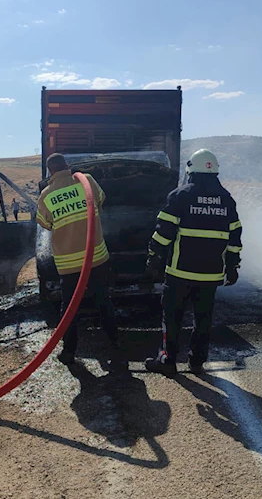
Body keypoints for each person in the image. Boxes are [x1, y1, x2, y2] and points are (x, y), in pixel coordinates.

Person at [144, 149, 243, 377]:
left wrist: (154, 258)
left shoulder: (180, 195)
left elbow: (163, 233)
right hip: (210, 276)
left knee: (171, 317)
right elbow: (235, 237)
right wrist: (232, 267)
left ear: (191, 170)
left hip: (180, 272)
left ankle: (168, 360)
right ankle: (197, 361)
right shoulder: (227, 200)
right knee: (203, 319)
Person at [36, 153, 124, 368]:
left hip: (68, 265)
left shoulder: (46, 195)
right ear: (67, 165)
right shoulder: (88, 181)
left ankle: (69, 352)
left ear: (50, 172)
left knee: (69, 309)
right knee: (104, 301)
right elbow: (100, 202)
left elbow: (45, 224)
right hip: (97, 258)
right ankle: (114, 345)